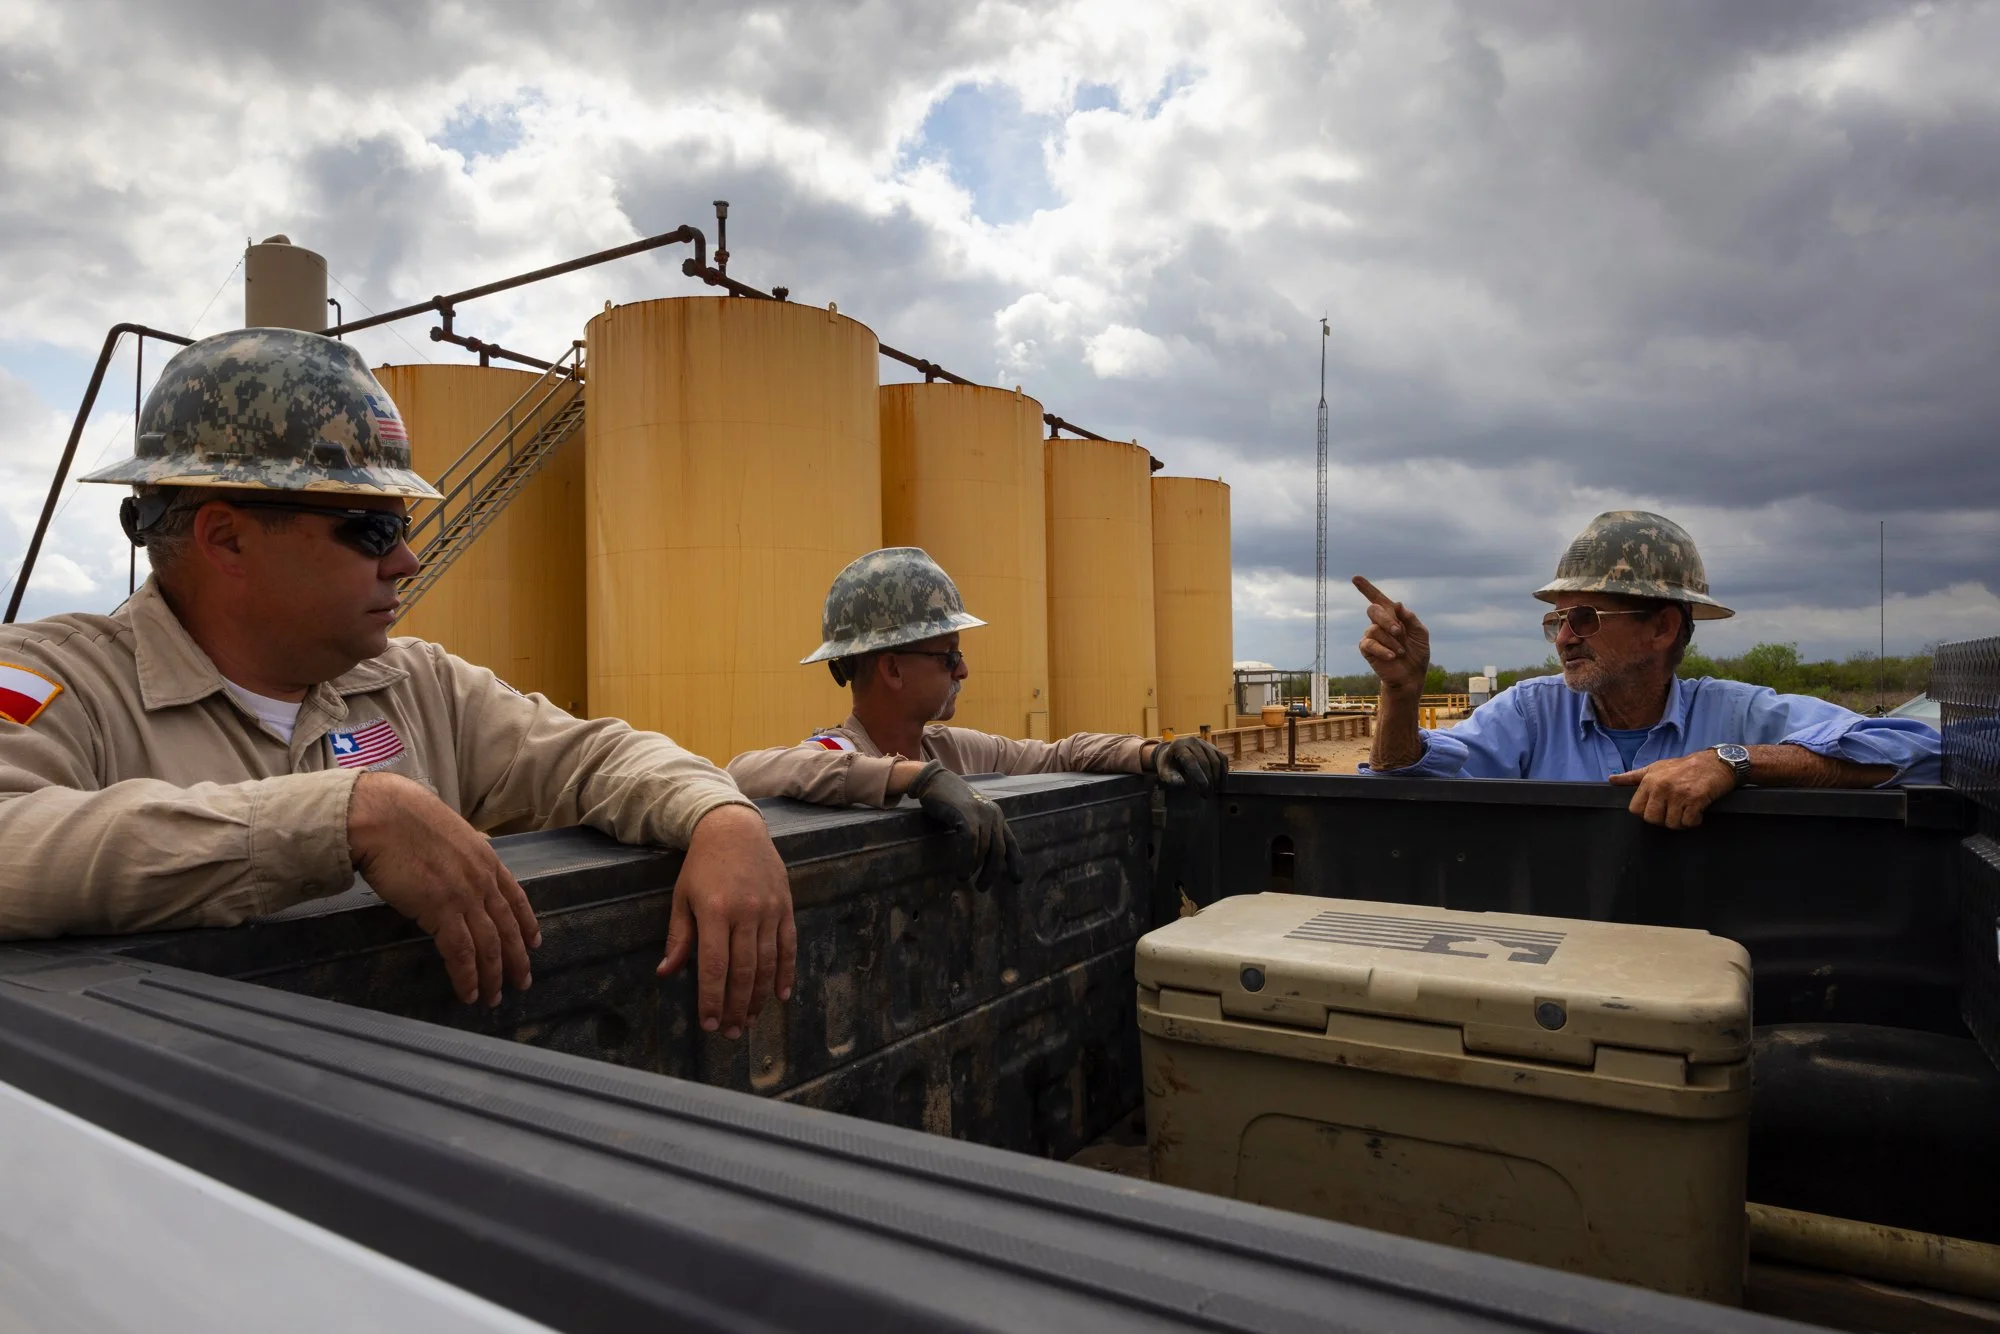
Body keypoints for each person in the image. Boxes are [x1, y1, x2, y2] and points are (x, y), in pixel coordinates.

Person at [0, 328, 792, 1039]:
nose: (405, 560)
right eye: (372, 528)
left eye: (402, 527)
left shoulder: (413, 685)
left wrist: (721, 816)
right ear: (227, 537)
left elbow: (593, 758)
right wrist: (338, 818)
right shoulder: (57, 681)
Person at [1352, 510, 1940, 829]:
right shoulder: (1531, 711)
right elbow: (1402, 789)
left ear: (1662, 628)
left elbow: (1922, 751)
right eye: (1556, 621)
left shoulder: (1736, 714)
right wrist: (1400, 696)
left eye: (1583, 617)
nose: (1563, 638)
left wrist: (1733, 762)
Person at [727, 547, 1228, 887]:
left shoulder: (949, 748)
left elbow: (1059, 752)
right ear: (893, 668)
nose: (963, 668)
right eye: (947, 654)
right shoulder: (837, 754)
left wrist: (1151, 752)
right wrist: (918, 780)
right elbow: (744, 771)